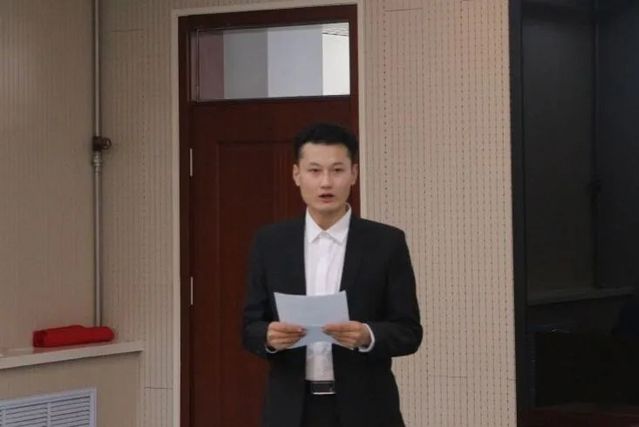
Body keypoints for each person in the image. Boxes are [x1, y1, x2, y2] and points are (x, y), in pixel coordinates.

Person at [242, 123, 422, 427]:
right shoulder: (270, 243)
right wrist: (269, 337)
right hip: (290, 411)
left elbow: (409, 331)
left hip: (367, 410)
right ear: (296, 174)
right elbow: (249, 327)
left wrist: (367, 335)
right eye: (314, 171)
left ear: (354, 173)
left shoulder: (386, 243)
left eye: (337, 170)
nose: (326, 182)